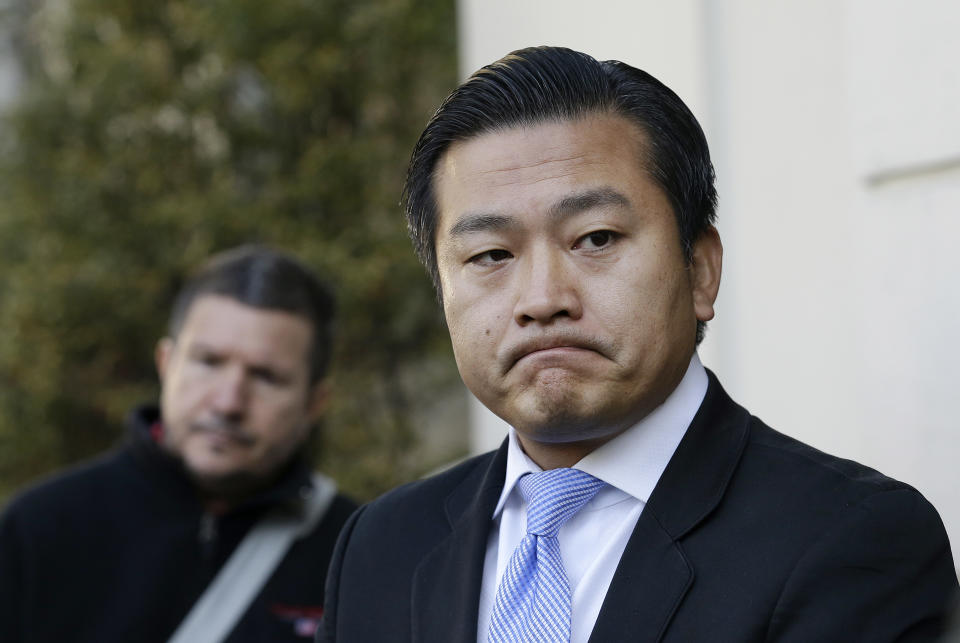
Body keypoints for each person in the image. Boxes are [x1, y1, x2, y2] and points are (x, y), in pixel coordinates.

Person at [317, 46, 959, 642]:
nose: (542, 299)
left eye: (595, 238)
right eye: (490, 254)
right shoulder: (382, 546)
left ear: (700, 269)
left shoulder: (850, 539)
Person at [0, 245, 357, 642]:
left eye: (266, 377)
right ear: (166, 364)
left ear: (314, 402)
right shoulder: (39, 530)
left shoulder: (358, 553)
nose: (228, 402)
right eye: (208, 362)